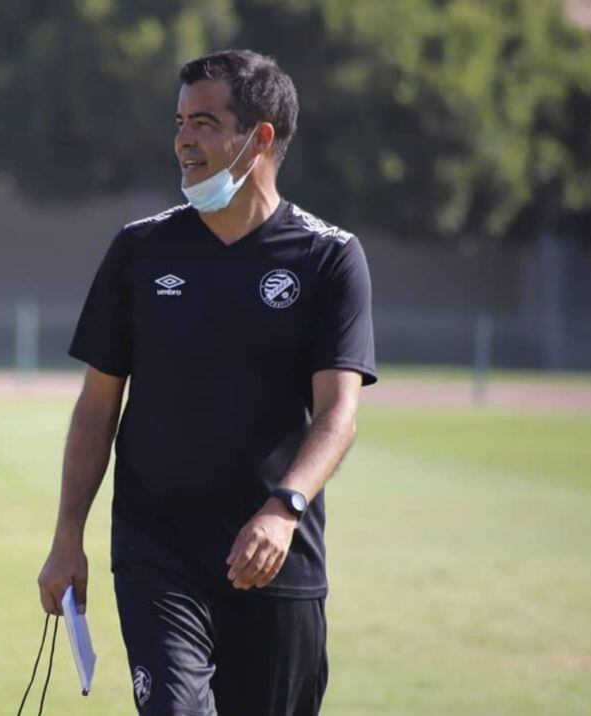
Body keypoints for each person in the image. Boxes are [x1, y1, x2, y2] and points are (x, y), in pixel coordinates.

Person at [37, 49, 376, 716]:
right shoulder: (138, 250)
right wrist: (67, 534)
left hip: (278, 562)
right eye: (180, 121)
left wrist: (285, 509)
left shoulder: (329, 257)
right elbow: (96, 408)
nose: (184, 140)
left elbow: (338, 415)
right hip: (155, 553)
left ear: (261, 138)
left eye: (205, 122)